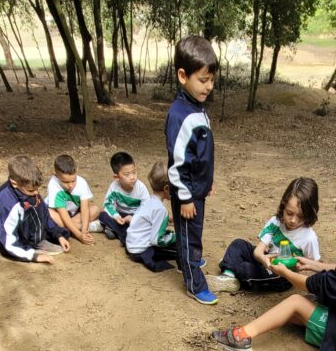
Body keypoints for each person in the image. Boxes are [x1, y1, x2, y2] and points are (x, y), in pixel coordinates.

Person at [211, 188, 336, 351]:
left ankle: (241, 336)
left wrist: (285, 272)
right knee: (294, 309)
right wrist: (313, 265)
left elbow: (310, 284)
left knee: (296, 302)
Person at [166, 35, 219, 305]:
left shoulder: (196, 107)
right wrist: (185, 197)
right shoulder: (180, 115)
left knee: (190, 234)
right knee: (190, 235)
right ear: (182, 76)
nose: (208, 86)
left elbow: (199, 154)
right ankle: (194, 283)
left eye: (212, 80)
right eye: (203, 80)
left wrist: (206, 180)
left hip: (197, 189)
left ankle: (187, 259)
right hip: (187, 193)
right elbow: (177, 164)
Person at [209, 177, 321, 294]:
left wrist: (296, 267)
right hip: (267, 260)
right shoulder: (275, 222)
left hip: (282, 275)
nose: (293, 220)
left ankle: (230, 265)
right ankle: (228, 277)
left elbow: (314, 265)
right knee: (238, 244)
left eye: (301, 216)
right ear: (283, 206)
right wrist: (263, 258)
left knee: (245, 269)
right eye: (289, 213)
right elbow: (258, 252)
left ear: (310, 213)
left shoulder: (308, 237)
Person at [0, 155, 70, 263]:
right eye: (32, 190)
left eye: (37, 189)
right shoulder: (5, 203)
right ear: (14, 183)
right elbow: (8, 243)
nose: (36, 193)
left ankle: (39, 241)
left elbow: (44, 214)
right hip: (19, 244)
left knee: (36, 203)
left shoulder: (27, 189)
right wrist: (33, 256)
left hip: (31, 231)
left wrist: (58, 235)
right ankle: (31, 246)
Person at [123, 161, 178, 272]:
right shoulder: (161, 210)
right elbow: (156, 240)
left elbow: (151, 219)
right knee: (181, 248)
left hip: (131, 246)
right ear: (166, 188)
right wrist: (175, 237)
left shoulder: (149, 201)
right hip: (141, 251)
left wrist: (169, 220)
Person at [95, 151, 150, 244]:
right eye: (127, 174)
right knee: (102, 215)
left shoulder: (141, 188)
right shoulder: (114, 187)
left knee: (147, 223)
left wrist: (133, 219)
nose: (132, 177)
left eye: (134, 172)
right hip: (121, 216)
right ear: (117, 177)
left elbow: (147, 208)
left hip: (136, 217)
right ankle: (125, 234)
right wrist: (116, 217)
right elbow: (108, 205)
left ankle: (115, 230)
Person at [46, 154, 98, 246]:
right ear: (56, 175)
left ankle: (71, 228)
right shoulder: (53, 185)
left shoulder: (82, 182)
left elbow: (84, 208)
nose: (70, 185)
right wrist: (79, 236)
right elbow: (63, 215)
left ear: (76, 171)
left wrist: (84, 231)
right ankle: (91, 226)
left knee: (96, 209)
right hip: (59, 216)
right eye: (65, 182)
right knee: (48, 213)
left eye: (73, 181)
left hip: (73, 215)